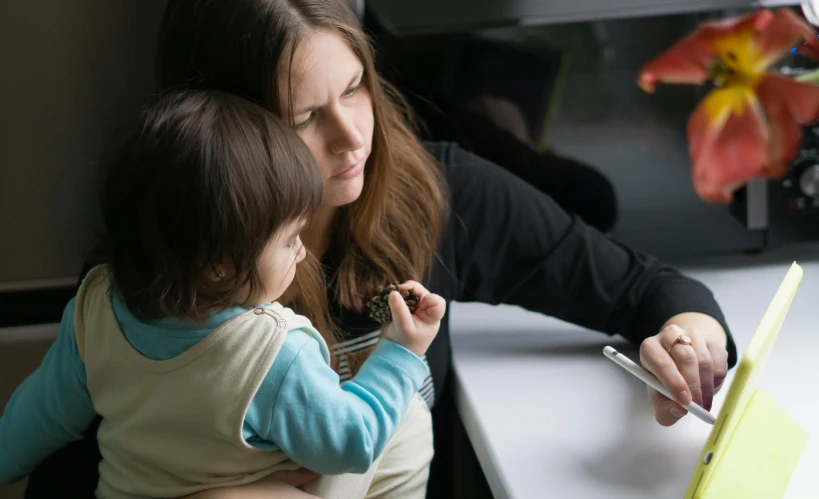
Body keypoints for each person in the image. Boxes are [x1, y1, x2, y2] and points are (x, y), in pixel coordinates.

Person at [24, 1, 738, 497]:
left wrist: (689, 337)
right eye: (305, 117)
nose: (351, 136)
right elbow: (56, 471)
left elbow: (641, 286)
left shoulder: (440, 190)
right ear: (227, 136)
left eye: (355, 87)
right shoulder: (163, 268)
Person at [1, 89, 446, 498]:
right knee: (407, 421)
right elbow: (354, 442)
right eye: (292, 238)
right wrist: (400, 351)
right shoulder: (272, 354)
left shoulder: (95, 308)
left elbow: (39, 416)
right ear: (218, 264)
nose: (303, 252)